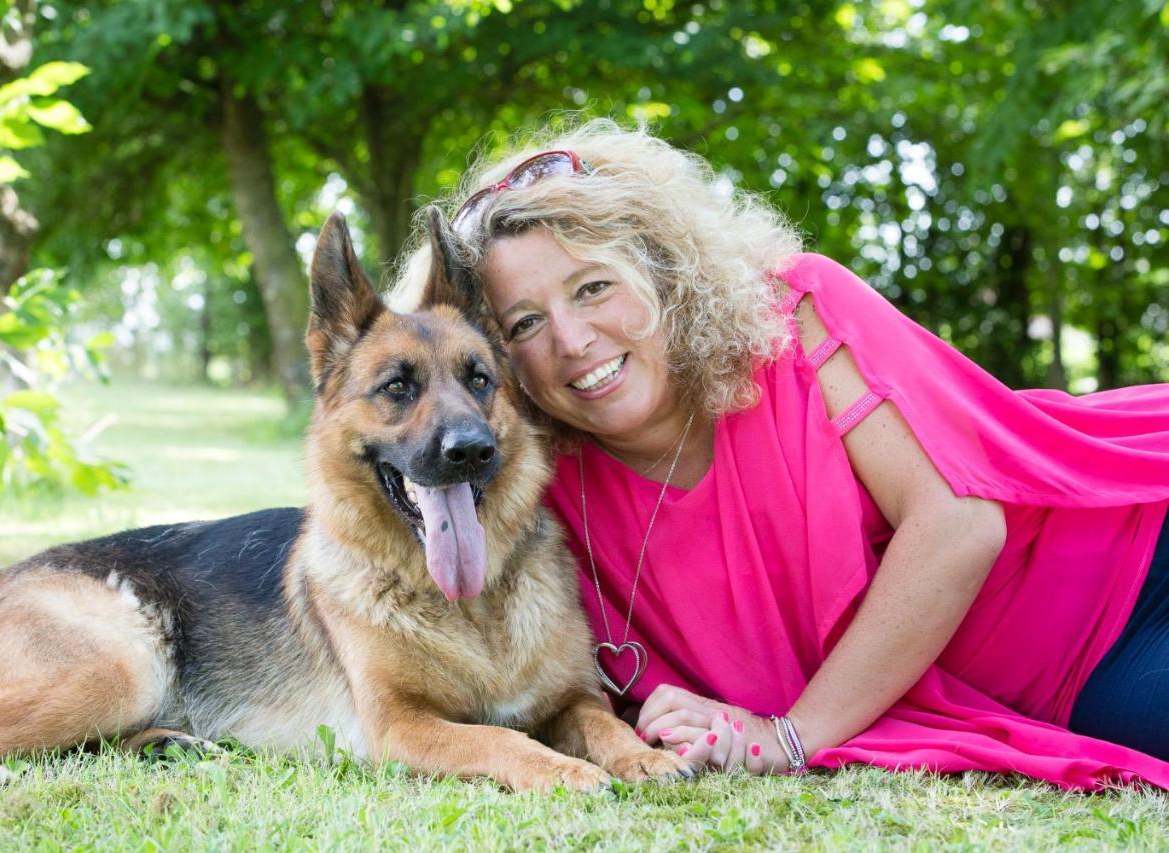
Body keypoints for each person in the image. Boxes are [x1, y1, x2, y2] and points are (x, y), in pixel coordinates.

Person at [391, 120, 1169, 790]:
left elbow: (959, 523)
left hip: (1127, 549)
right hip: (1065, 691)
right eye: (524, 323)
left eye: (594, 287)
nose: (571, 339)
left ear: (665, 269)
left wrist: (791, 735)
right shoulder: (549, 493)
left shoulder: (796, 315)